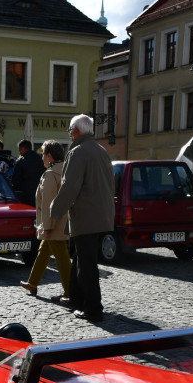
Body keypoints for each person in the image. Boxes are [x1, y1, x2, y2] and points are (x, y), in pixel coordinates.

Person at [48, 114, 114, 323]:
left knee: (87, 266)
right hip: (101, 215)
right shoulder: (101, 151)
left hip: (86, 216)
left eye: (70, 130)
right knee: (80, 258)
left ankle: (93, 309)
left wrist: (54, 210)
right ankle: (76, 298)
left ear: (76, 131)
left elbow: (70, 186)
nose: (69, 134)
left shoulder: (78, 152)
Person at [20, 140, 70, 300]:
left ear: (49, 156)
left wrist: (47, 227)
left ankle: (70, 291)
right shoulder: (66, 170)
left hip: (53, 222)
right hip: (63, 220)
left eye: (43, 154)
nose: (41, 158)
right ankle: (32, 283)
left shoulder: (50, 174)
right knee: (43, 251)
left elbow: (49, 203)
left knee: (62, 257)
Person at [11, 139, 45, 207]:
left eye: (19, 149)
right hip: (40, 192)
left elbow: (15, 180)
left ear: (22, 148)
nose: (19, 152)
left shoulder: (20, 161)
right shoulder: (41, 159)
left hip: (25, 195)